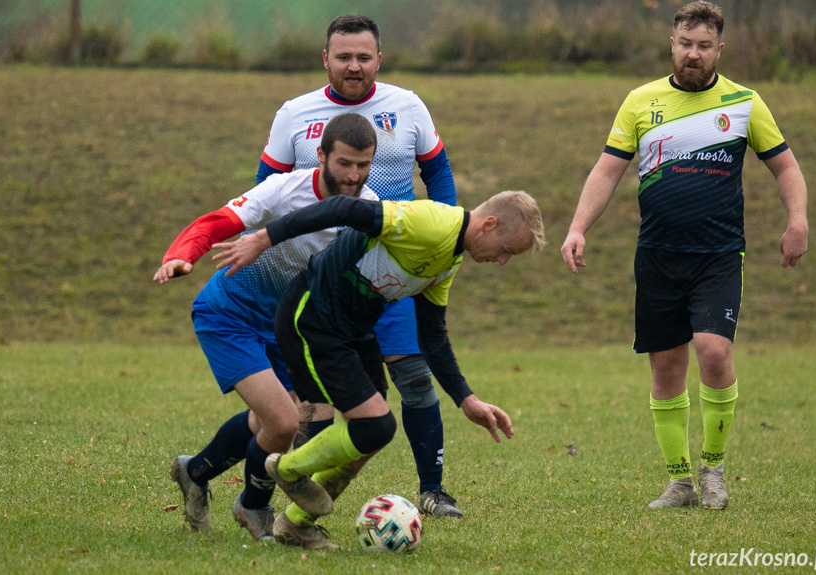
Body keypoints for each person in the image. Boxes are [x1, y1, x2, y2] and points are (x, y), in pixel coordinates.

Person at [560, 1, 808, 510]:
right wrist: (579, 227)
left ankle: (713, 469)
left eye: (703, 46)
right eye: (684, 44)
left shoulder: (744, 101)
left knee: (714, 352)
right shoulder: (639, 101)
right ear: (671, 45)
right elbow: (607, 171)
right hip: (657, 255)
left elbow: (785, 167)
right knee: (666, 368)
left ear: (719, 49)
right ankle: (679, 482)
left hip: (718, 254)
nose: (692, 54)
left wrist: (797, 220)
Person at [212, 190, 546, 548]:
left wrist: (467, 399)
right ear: (489, 225)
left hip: (354, 330)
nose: (503, 261)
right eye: (507, 250)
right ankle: (288, 470)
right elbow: (341, 207)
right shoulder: (431, 223)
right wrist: (264, 238)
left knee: (373, 435)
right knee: (376, 424)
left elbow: (432, 336)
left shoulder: (450, 260)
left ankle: (295, 524)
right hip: (313, 315)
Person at [256, 14, 464, 517]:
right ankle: (298, 499)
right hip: (324, 281)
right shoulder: (294, 113)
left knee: (413, 375)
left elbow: (439, 174)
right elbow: (265, 192)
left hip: (391, 276)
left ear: (379, 59)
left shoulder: (407, 105)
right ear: (325, 58)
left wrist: (446, 244)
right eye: (343, 57)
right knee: (319, 397)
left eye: (363, 57)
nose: (354, 66)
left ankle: (432, 490)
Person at [153, 113, 380, 539]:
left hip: (286, 328)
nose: (352, 176)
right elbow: (220, 221)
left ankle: (196, 470)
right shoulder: (284, 188)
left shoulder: (366, 211)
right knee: (282, 422)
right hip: (230, 314)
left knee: (276, 421)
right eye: (344, 163)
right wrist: (182, 254)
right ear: (321, 156)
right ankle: (253, 507)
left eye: (363, 165)